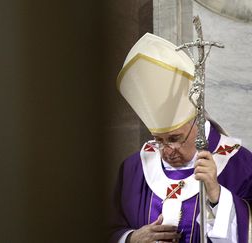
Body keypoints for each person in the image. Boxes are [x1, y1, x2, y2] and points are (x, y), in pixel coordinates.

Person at [108, 33, 252, 243]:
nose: (167, 151)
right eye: (159, 139)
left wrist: (217, 196)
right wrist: (130, 239)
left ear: (198, 123)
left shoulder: (240, 166)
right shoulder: (134, 169)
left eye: (175, 138)